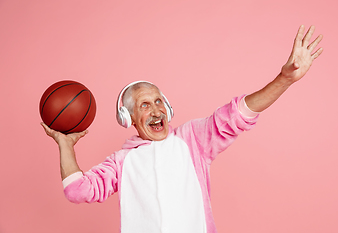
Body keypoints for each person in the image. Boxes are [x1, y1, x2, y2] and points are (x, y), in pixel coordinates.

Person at [41, 25, 323, 233]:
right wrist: (65, 145)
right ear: (128, 118)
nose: (156, 110)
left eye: (158, 101)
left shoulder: (193, 140)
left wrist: (284, 79)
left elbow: (238, 113)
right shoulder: (121, 163)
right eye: (144, 105)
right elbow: (78, 191)